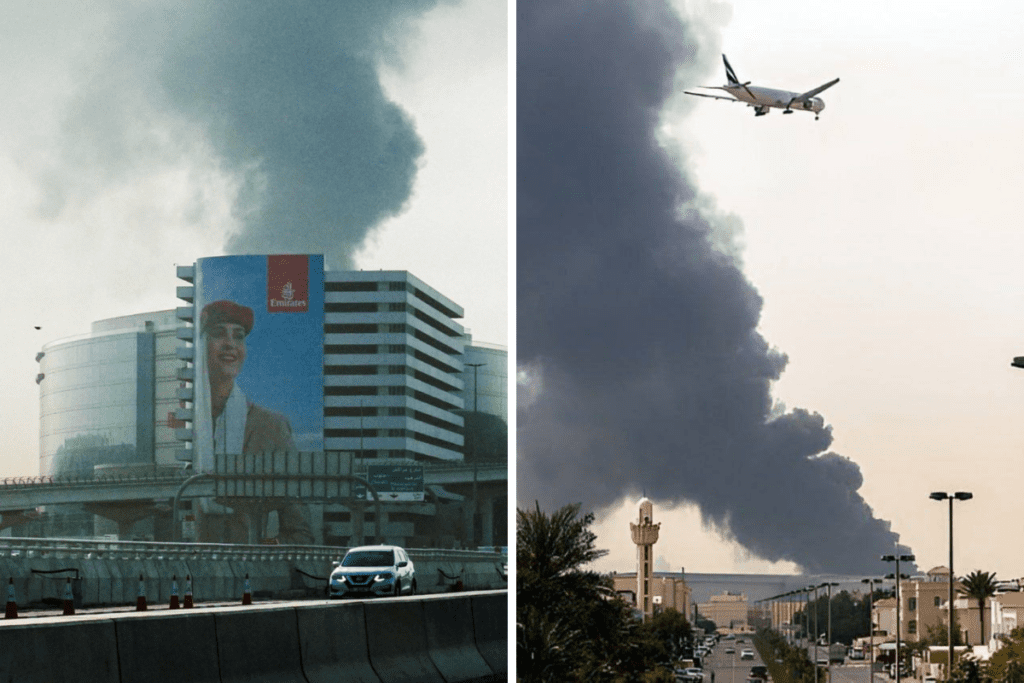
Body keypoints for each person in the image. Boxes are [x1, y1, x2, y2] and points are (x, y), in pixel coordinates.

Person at [199, 299, 313, 544]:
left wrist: (269, 547)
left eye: (238, 336)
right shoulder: (188, 425)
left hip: (249, 561)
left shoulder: (270, 426)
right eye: (218, 334)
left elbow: (300, 530)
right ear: (199, 345)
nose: (230, 344)